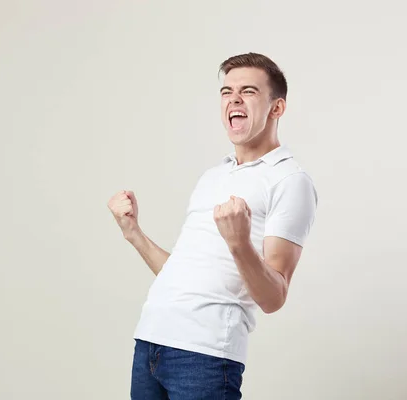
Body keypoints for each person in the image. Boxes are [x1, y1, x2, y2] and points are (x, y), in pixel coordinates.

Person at [107, 52, 318, 400]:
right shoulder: (213, 176)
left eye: (248, 91)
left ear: (277, 108)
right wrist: (134, 235)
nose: (234, 99)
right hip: (150, 343)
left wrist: (239, 243)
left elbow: (274, 296)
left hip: (204, 354)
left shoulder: (289, 180)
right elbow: (182, 273)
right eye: (227, 91)